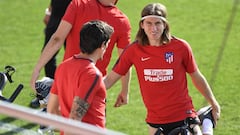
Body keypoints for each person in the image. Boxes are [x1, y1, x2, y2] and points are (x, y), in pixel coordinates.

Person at [104, 3, 221, 135]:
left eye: (158, 23)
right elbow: (109, 80)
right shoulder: (133, 50)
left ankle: (206, 123)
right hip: (155, 120)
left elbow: (196, 76)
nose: (153, 28)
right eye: (149, 23)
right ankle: (206, 121)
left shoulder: (181, 47)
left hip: (183, 115)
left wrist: (213, 102)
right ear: (142, 25)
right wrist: (85, 89)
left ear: (165, 24)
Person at [30, 0, 131, 95]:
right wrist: (124, 91)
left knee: (55, 112)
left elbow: (57, 39)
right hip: (94, 88)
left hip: (66, 84)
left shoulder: (78, 4)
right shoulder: (122, 21)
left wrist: (37, 70)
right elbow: (125, 61)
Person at [47, 20, 114, 135]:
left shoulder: (63, 67)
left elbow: (52, 111)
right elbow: (74, 119)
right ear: (103, 45)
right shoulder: (92, 74)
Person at [30, 0, 72, 108]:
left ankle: (66, 97)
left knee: (71, 59)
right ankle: (47, 93)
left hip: (74, 19)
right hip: (56, 17)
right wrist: (49, 11)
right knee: (47, 55)